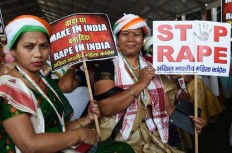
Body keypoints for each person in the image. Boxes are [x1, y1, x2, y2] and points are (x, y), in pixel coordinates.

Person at [93, 14, 206, 153]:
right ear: (117, 39)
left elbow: (168, 108)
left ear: (142, 39)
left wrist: (191, 121)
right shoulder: (107, 66)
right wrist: (141, 83)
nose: (131, 39)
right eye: (125, 34)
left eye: (136, 34)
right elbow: (106, 108)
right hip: (120, 136)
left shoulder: (154, 67)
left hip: (154, 134)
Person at [0, 15, 101, 153]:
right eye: (29, 47)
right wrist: (80, 134)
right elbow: (30, 145)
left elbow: (57, 128)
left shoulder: (45, 82)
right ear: (13, 50)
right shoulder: (8, 88)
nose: (38, 54)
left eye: (44, 46)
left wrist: (86, 119)